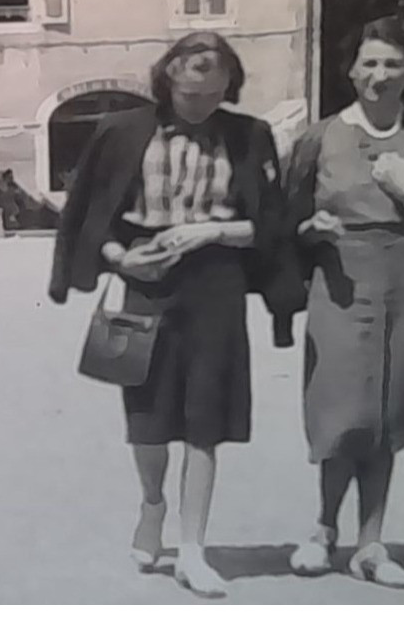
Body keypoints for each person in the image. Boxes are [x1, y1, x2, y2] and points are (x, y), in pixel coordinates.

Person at [50, 32, 303, 599]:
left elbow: (271, 224)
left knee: (204, 418)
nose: (200, 105)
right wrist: (120, 261)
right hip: (146, 279)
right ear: (167, 79)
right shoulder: (122, 131)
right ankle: (153, 502)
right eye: (189, 92)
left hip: (217, 282)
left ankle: (192, 548)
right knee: (147, 417)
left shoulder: (250, 136)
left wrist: (213, 230)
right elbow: (90, 212)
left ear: (227, 88)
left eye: (213, 94)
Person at [285, 17, 404, 588]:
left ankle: (372, 541)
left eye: (392, 63)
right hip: (341, 280)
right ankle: (323, 530)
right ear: (350, 70)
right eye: (369, 63)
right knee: (342, 412)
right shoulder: (319, 138)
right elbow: (287, 216)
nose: (379, 75)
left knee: (390, 416)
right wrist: (310, 228)